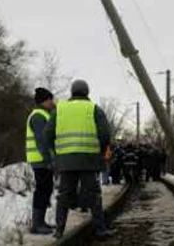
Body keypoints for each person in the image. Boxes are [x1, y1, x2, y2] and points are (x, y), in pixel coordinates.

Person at [45, 79, 115, 240]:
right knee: (94, 195)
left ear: (72, 92)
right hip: (89, 160)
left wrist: (57, 152)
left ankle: (59, 230)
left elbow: (48, 133)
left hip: (66, 161)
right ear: (87, 92)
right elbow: (105, 135)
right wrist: (100, 151)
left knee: (64, 195)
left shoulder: (60, 109)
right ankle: (100, 230)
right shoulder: (94, 108)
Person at [26, 88, 55, 235]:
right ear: (45, 100)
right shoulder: (38, 116)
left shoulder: (42, 114)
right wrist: (48, 159)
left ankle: (41, 222)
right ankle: (37, 224)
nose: (53, 102)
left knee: (46, 188)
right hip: (40, 160)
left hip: (41, 160)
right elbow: (42, 141)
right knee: (42, 190)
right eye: (51, 99)